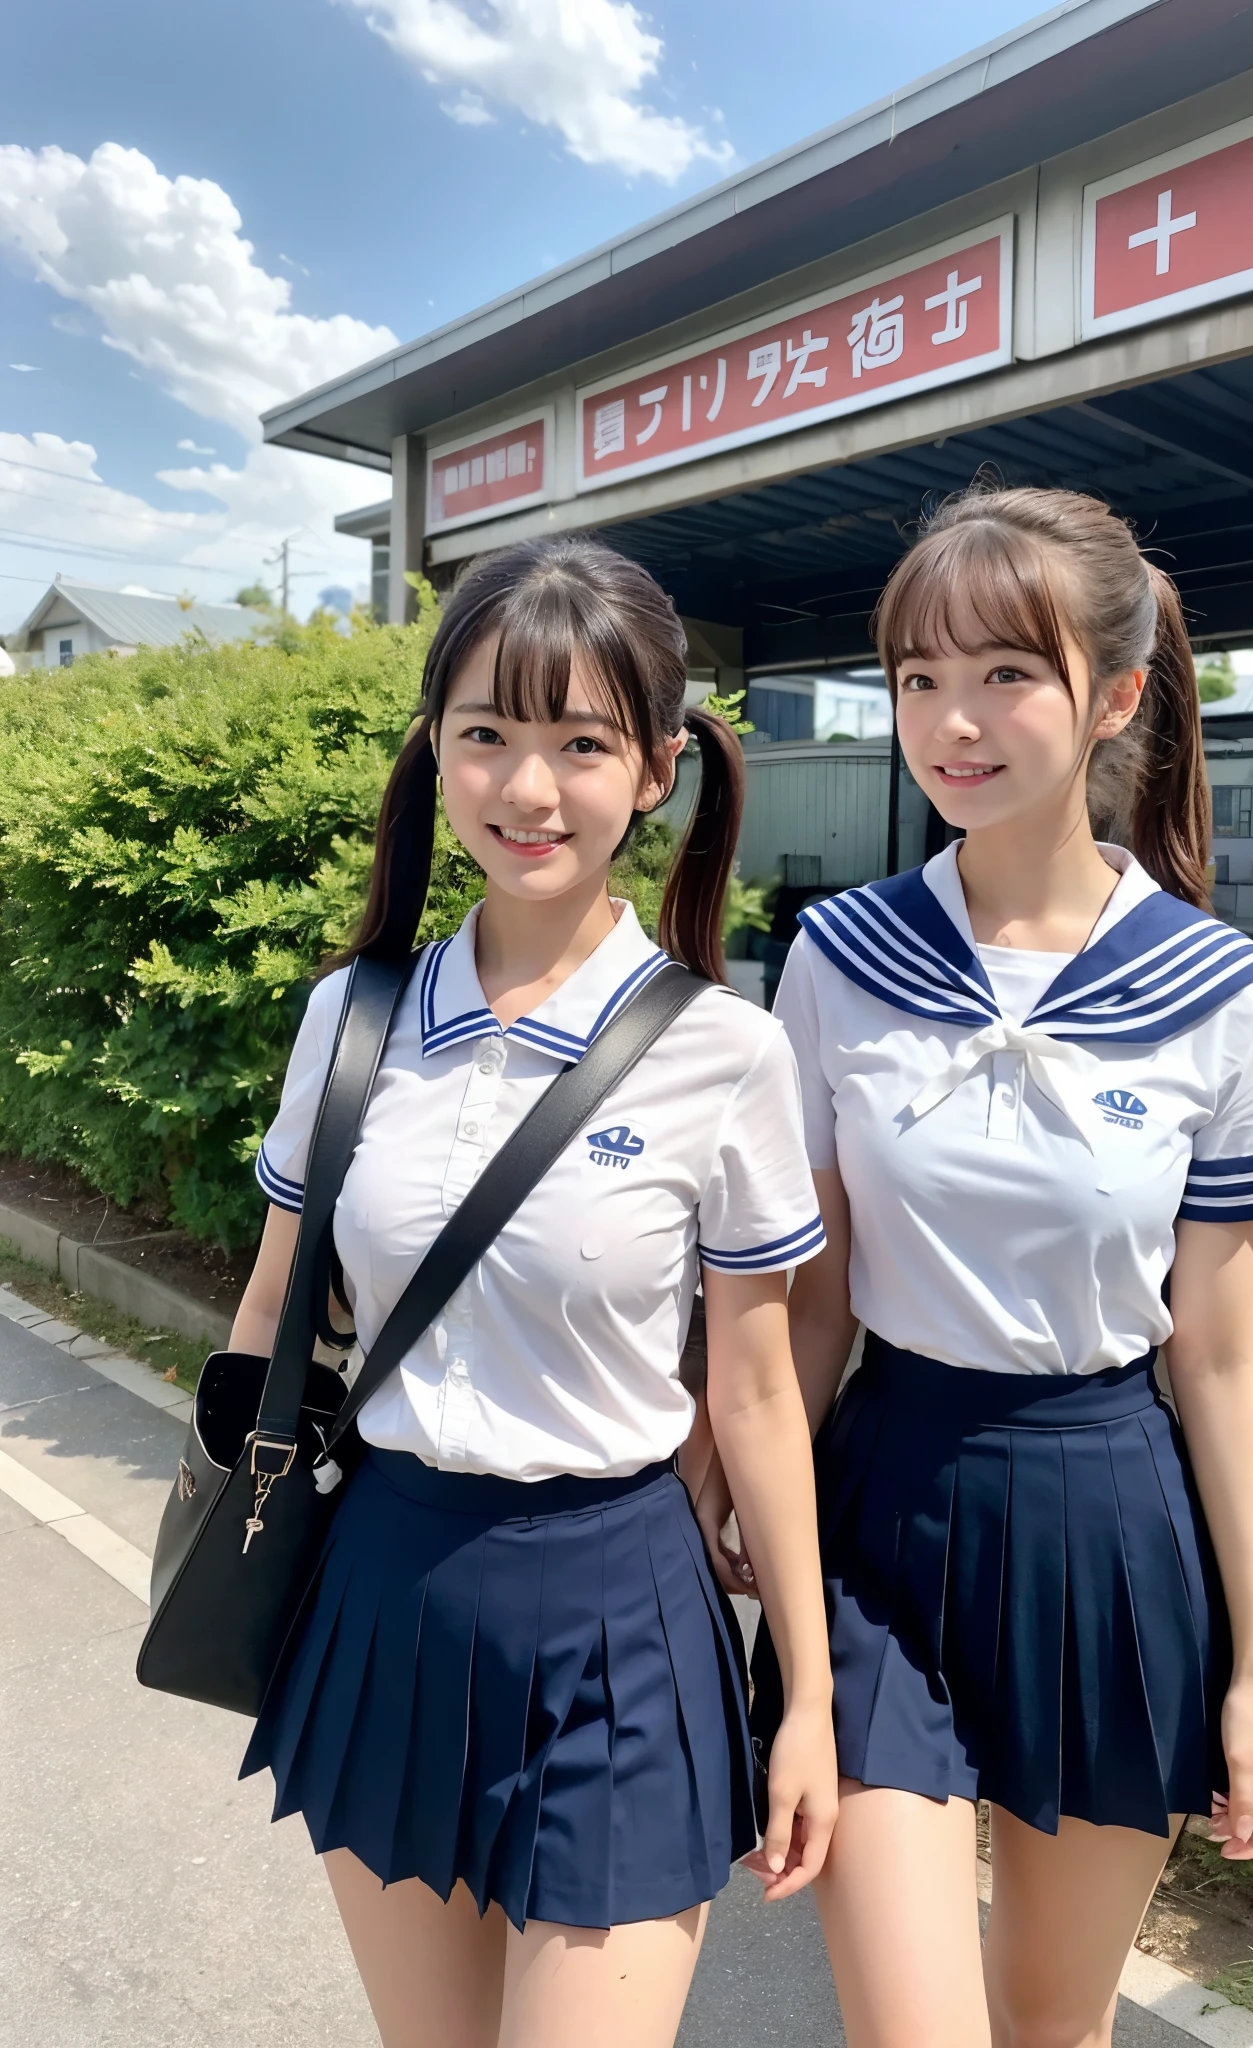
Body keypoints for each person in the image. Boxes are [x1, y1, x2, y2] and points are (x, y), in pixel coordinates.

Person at [696, 486, 1253, 2048]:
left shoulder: (1221, 993)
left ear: (1112, 698)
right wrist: (726, 1471)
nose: (950, 722)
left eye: (1003, 676)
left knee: (1054, 2026)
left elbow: (1218, 1355)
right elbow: (814, 1290)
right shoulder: (844, 956)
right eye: (917, 677)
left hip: (1111, 1524)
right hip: (882, 1508)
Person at [231, 535, 838, 2048]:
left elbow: (754, 1390)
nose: (527, 788)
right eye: (487, 734)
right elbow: (269, 1315)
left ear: (653, 772)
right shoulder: (352, 1019)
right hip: (385, 1585)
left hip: (619, 1609)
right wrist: (231, 1533)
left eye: (582, 742)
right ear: (434, 749)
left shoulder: (724, 1051)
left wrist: (808, 1698)